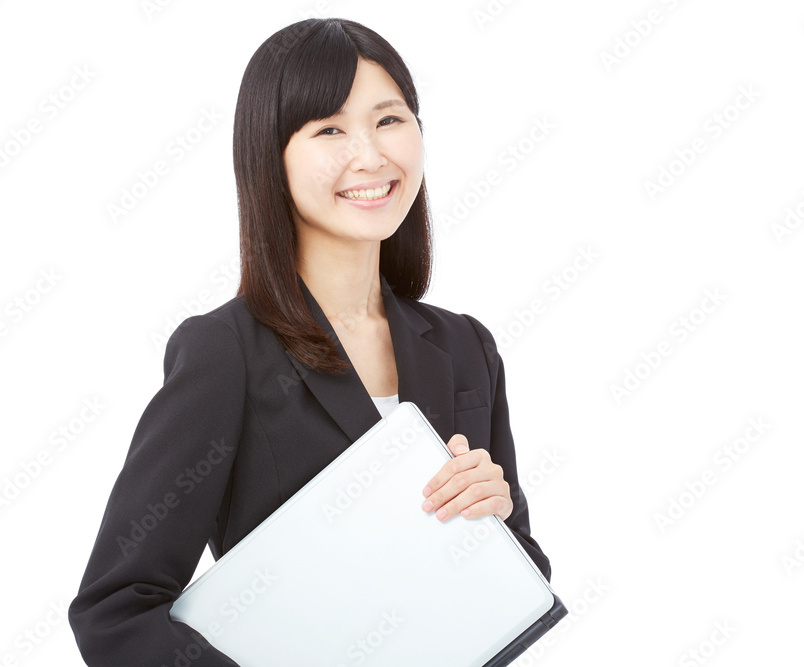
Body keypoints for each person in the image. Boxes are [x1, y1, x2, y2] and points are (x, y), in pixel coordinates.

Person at [68, 17, 551, 666]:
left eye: (389, 119)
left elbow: (526, 582)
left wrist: (495, 518)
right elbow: (114, 609)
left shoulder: (466, 347)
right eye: (329, 129)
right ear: (271, 156)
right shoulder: (225, 352)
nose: (370, 156)